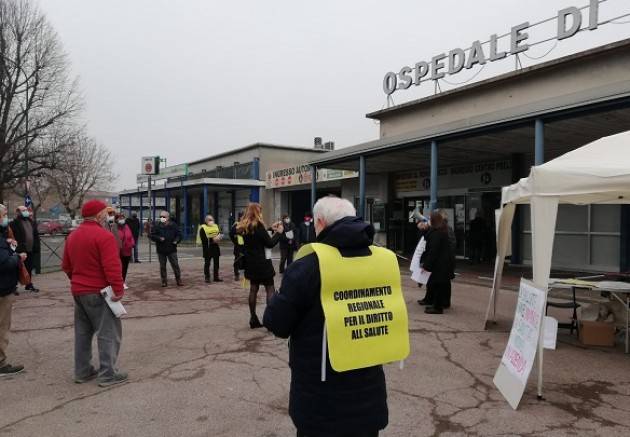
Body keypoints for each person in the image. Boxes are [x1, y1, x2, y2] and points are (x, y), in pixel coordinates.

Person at [264, 196, 395, 437]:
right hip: (369, 397)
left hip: (320, 402)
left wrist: (275, 299)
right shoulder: (383, 260)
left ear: (321, 223)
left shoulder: (308, 266)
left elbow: (277, 322)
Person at [61, 199, 128, 387]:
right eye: (105, 213)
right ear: (99, 215)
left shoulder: (72, 236)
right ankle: (108, 374)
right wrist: (118, 289)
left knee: (83, 333)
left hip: (79, 290)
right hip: (99, 291)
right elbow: (112, 266)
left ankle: (82, 371)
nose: (107, 216)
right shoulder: (103, 236)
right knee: (108, 332)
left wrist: (78, 281)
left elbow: (66, 266)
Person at [236, 203, 283, 329]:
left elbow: (257, 238)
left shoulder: (244, 227)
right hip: (263, 262)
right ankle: (270, 320)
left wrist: (270, 229)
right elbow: (270, 243)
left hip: (250, 263)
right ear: (257, 212)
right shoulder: (259, 226)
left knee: (253, 289)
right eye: (260, 211)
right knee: (270, 289)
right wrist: (278, 233)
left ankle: (253, 318)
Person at [0, 204, 24, 376]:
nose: (5, 217)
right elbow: (4, 262)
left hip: (4, 286)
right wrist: (17, 257)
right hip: (2, 289)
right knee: (2, 326)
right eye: (3, 215)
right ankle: (1, 363)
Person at [420, 211, 455, 314]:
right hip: (442, 263)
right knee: (438, 284)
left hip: (440, 264)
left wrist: (426, 266)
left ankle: (437, 307)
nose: (428, 221)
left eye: (430, 219)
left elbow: (433, 251)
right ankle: (437, 304)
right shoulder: (440, 230)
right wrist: (424, 229)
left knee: (437, 285)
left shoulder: (438, 233)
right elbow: (428, 238)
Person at [9, 205, 40, 292]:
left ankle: (29, 284)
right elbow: (11, 237)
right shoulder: (13, 223)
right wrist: (14, 249)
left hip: (30, 249)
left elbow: (35, 235)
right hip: (20, 250)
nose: (26, 211)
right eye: (23, 210)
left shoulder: (31, 222)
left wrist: (36, 247)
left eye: (26, 210)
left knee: (29, 267)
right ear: (18, 212)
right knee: (17, 268)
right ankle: (13, 287)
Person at [150, 211, 182, 287]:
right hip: (161, 249)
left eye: (164, 217)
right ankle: (164, 281)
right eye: (161, 216)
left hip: (171, 248)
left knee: (175, 265)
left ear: (168, 217)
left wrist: (176, 241)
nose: (162, 218)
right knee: (162, 266)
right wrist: (159, 238)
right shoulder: (157, 225)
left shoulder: (173, 225)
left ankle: (178, 280)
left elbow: (179, 235)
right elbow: (152, 235)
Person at [199, 215, 222, 283]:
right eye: (209, 220)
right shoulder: (203, 228)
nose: (211, 221)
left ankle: (216, 277)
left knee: (216, 263)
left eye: (212, 219)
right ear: (206, 221)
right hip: (208, 248)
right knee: (207, 263)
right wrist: (212, 239)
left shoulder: (215, 226)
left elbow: (219, 233)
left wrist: (219, 237)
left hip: (215, 247)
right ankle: (207, 277)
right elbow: (203, 239)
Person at [115, 213, 135, 288]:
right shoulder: (115, 228)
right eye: (120, 218)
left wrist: (132, 243)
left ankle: (123, 282)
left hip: (127, 250)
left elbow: (131, 236)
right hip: (119, 251)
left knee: (125, 267)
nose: (122, 220)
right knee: (119, 268)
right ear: (116, 219)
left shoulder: (126, 226)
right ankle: (118, 283)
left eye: (123, 218)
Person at [229, 212, 244, 281]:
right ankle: (236, 274)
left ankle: (246, 275)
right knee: (237, 260)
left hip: (245, 245)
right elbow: (231, 234)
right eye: (243, 217)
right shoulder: (236, 225)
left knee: (245, 260)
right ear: (240, 217)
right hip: (238, 246)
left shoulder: (246, 224)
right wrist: (235, 241)